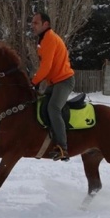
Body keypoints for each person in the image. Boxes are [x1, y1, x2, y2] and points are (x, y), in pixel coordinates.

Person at [30, 12, 75, 161]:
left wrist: (34, 82)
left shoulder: (49, 39)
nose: (32, 25)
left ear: (46, 24)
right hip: (54, 82)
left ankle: (63, 148)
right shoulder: (43, 40)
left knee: (53, 108)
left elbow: (46, 67)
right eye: (32, 22)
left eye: (36, 23)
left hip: (64, 81)